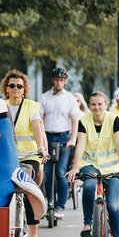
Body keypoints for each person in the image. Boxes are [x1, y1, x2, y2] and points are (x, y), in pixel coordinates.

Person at [66, 91, 119, 237]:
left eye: (100, 104)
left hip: (112, 166)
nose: (97, 107)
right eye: (93, 104)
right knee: (88, 187)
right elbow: (80, 144)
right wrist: (75, 167)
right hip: (90, 164)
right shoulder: (84, 121)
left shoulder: (113, 119)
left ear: (105, 105)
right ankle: (88, 223)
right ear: (90, 104)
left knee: (112, 205)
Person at [0, 69, 49, 237]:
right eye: (12, 85)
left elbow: (38, 130)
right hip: (6, 157)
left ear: (24, 89)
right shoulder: (1, 106)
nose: (15, 89)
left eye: (19, 86)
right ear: (6, 88)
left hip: (29, 157)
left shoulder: (31, 107)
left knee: (27, 193)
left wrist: (42, 148)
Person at [39, 67, 80, 219]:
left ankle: (60, 206)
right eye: (56, 80)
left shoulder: (69, 98)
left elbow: (74, 120)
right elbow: (40, 120)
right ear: (52, 80)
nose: (58, 82)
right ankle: (49, 201)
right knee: (48, 173)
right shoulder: (44, 98)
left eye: (61, 80)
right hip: (48, 136)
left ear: (65, 82)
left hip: (64, 138)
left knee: (61, 173)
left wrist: (73, 139)